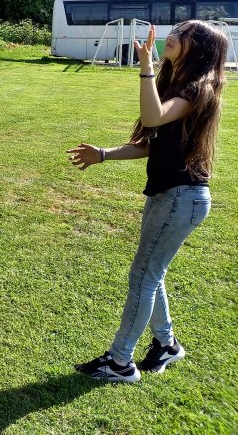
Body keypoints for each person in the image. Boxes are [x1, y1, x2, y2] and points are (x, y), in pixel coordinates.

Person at [67, 21, 227, 383]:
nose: (174, 35)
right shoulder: (178, 87)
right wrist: (103, 154)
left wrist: (145, 66)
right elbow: (150, 144)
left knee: (144, 275)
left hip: (181, 197)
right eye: (177, 29)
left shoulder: (198, 89)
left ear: (199, 49)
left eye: (185, 34)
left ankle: (120, 363)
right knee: (151, 273)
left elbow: (153, 116)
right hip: (169, 196)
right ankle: (166, 344)